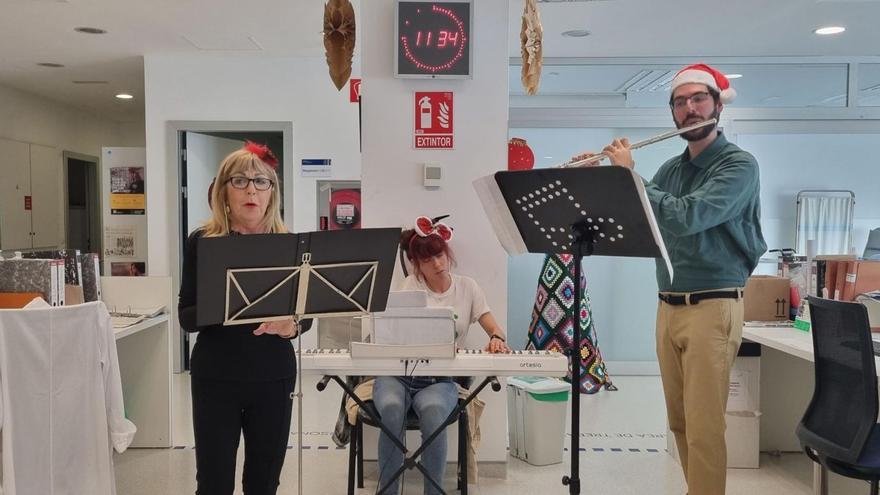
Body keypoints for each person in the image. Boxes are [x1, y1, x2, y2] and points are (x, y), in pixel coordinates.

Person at [577, 63, 767, 494]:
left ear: (718, 105)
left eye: (698, 99)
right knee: (680, 422)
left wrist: (628, 174)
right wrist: (600, 182)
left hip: (713, 305)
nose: (689, 109)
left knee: (703, 427)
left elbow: (687, 217)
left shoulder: (739, 166)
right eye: (680, 103)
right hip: (668, 304)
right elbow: (640, 220)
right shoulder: (671, 170)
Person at [178, 141, 311, 495]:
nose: (251, 189)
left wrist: (292, 325)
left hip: (273, 376)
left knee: (264, 484)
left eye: (261, 181)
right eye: (240, 181)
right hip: (216, 377)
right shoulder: (202, 242)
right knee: (213, 484)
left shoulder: (291, 244)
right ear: (223, 191)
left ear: (272, 192)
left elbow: (306, 315)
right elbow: (186, 317)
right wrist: (230, 304)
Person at [373, 215, 510, 495]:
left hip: (439, 379)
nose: (437, 264)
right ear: (416, 266)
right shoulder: (409, 288)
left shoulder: (467, 288)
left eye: (439, 256)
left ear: (447, 254)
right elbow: (393, 335)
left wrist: (496, 337)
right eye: (427, 260)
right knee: (390, 408)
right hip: (397, 375)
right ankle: (387, 491)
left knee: (435, 413)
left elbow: (492, 325)